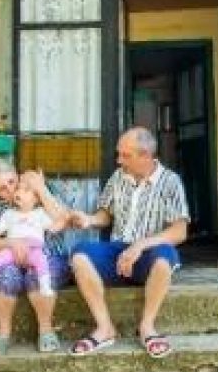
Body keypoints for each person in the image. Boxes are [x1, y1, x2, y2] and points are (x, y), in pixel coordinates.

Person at [67, 127, 189, 359]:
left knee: (165, 256)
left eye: (125, 155)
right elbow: (105, 216)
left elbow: (179, 231)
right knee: (80, 254)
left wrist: (140, 245)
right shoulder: (117, 177)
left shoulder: (170, 181)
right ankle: (104, 328)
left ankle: (147, 327)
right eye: (119, 154)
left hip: (150, 253)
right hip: (117, 251)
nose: (118, 159)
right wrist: (89, 220)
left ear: (144, 155)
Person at [0, 156, 73, 357]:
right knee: (4, 274)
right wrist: (12, 242)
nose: (9, 190)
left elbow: (64, 219)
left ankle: (45, 330)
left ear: (17, 174)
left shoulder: (40, 188)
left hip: (49, 255)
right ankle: (3, 334)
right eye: (1, 188)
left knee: (38, 273)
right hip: (10, 259)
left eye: (11, 181)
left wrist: (41, 189)